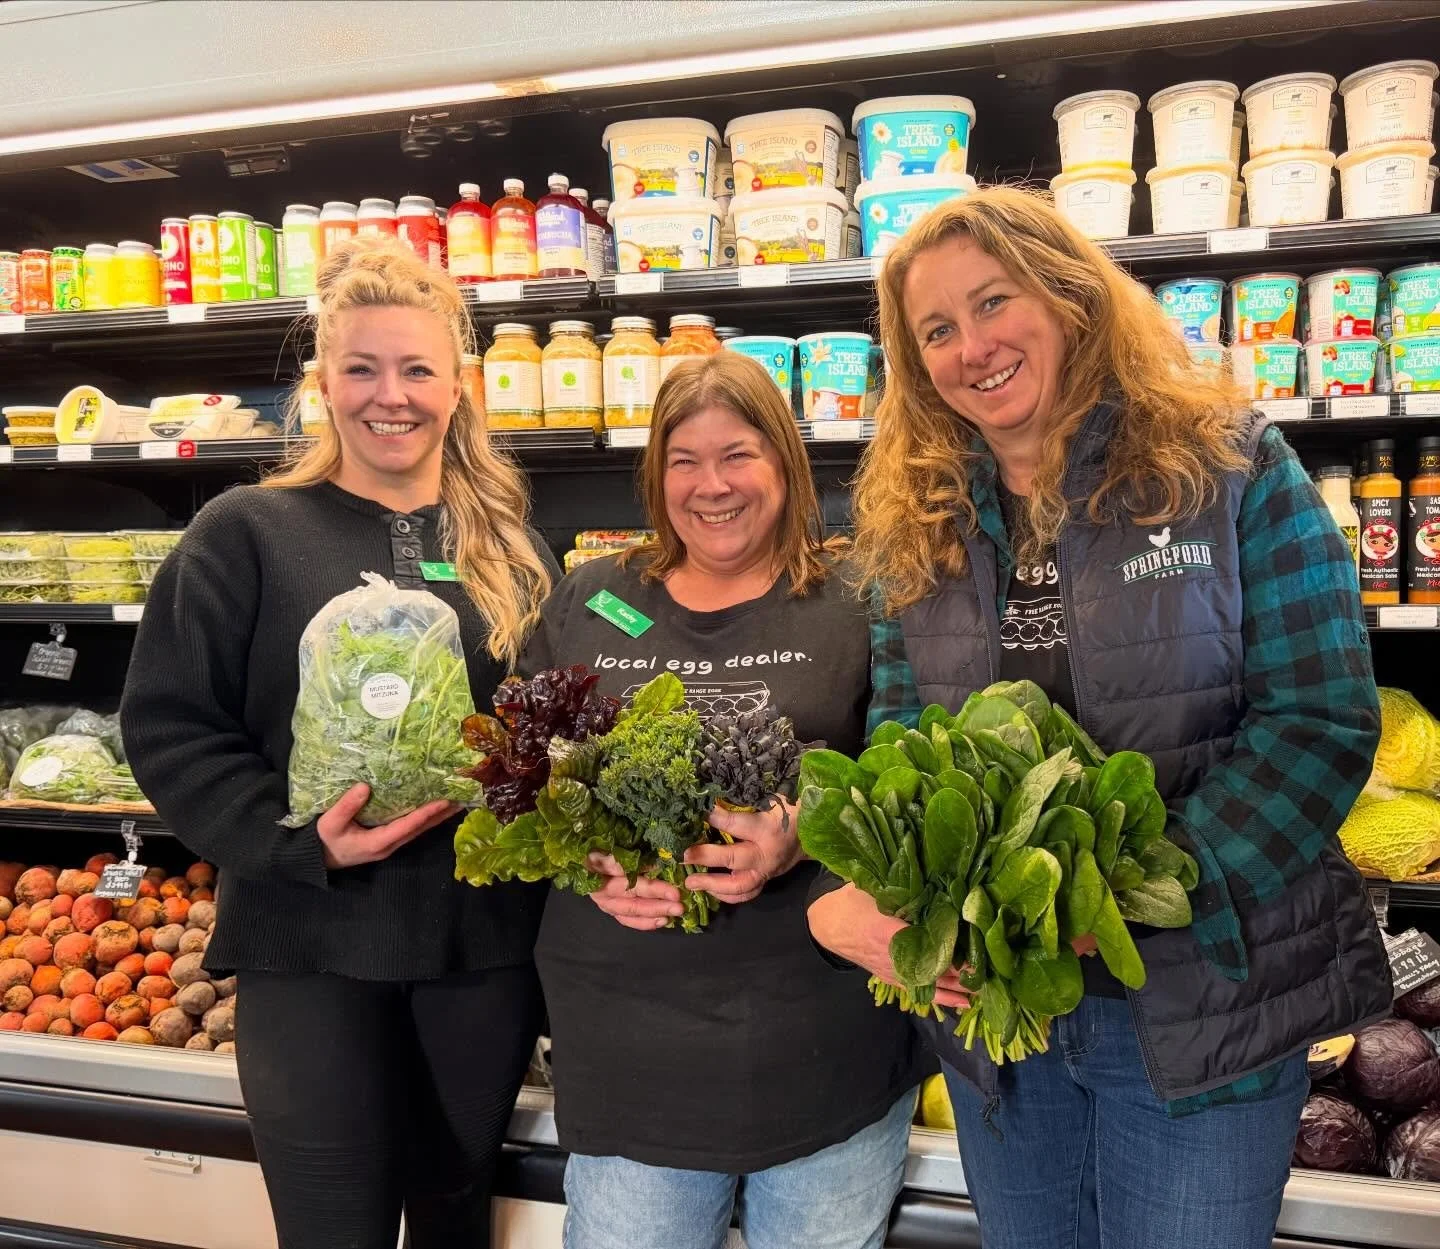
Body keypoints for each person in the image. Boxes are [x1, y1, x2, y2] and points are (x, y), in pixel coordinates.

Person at [807, 186, 1390, 1249]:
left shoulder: (1230, 467)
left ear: (1070, 296)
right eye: (934, 329)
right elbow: (901, 745)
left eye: (994, 302)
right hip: (1006, 1019)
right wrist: (901, 901)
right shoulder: (917, 520)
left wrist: (1123, 900)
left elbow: (1319, 722)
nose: (970, 346)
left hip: (1202, 1013)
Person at [120, 238, 556, 1249]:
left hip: (478, 951)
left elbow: (541, 731)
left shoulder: (509, 547)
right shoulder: (247, 532)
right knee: (331, 1232)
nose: (388, 396)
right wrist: (298, 841)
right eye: (360, 368)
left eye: (415, 370)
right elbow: (170, 723)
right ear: (323, 384)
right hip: (308, 946)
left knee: (454, 1223)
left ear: (459, 387)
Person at [521, 350, 928, 1249]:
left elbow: (906, 767)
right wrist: (589, 861)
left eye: (738, 454)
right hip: (632, 1055)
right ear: (655, 471)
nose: (713, 486)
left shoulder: (857, 599)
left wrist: (803, 825)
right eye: (685, 460)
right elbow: (527, 771)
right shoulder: (592, 598)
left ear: (784, 460)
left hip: (824, 1045)